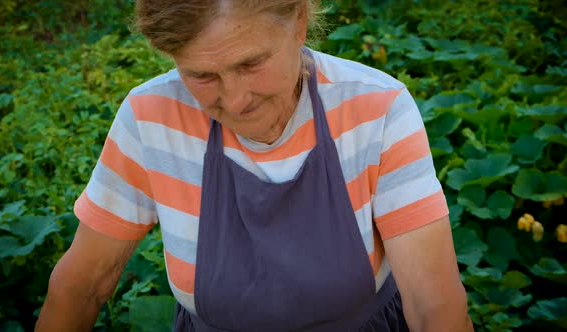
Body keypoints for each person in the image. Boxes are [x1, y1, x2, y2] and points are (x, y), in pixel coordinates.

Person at [35, 1, 474, 331]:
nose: (236, 99)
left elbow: (432, 305)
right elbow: (83, 284)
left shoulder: (376, 109)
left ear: (299, 22)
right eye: (202, 76)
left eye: (251, 63)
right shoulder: (151, 118)